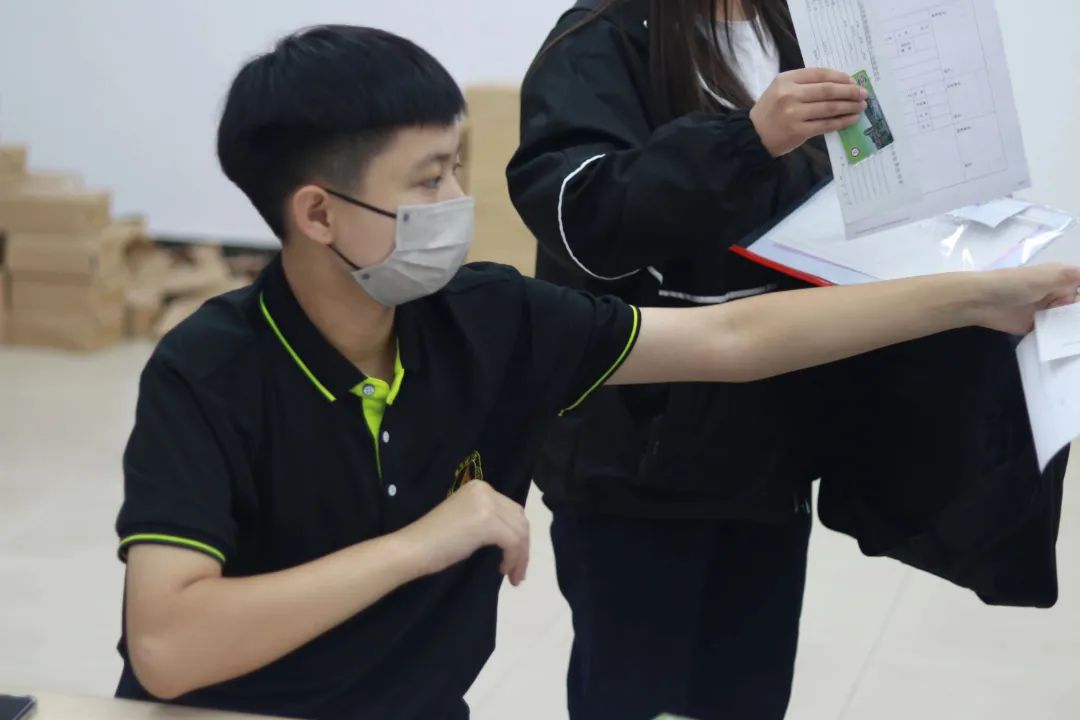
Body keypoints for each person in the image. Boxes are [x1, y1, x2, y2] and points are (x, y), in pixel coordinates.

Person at [113, 23, 1079, 720]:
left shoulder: (488, 319)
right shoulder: (211, 372)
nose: (458, 200)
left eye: (459, 166)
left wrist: (981, 296)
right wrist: (429, 540)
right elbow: (167, 648)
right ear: (318, 214)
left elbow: (733, 340)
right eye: (429, 180)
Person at [506, 1, 1047, 718]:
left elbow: (870, 194)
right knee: (633, 693)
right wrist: (749, 138)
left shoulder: (807, 26)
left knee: (748, 694)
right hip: (635, 466)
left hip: (773, 452)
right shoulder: (603, 37)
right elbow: (586, 220)